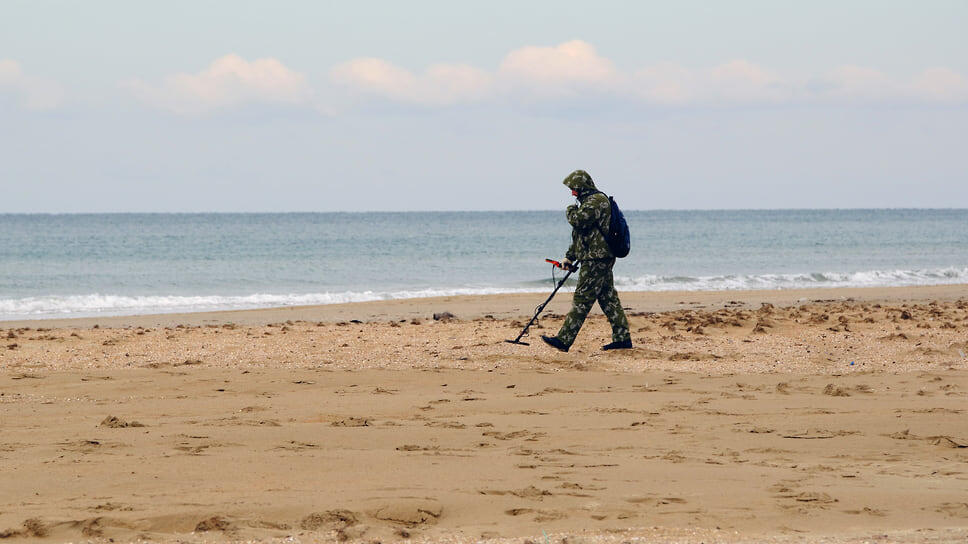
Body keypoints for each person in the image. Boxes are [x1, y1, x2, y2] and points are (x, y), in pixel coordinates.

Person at [542, 170, 632, 352]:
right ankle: (622, 339)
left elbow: (578, 221)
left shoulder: (596, 201)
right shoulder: (588, 201)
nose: (572, 193)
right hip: (595, 257)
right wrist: (570, 256)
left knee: (582, 298)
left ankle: (564, 340)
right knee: (608, 298)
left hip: (597, 258)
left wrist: (570, 210)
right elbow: (581, 236)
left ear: (582, 187)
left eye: (574, 189)